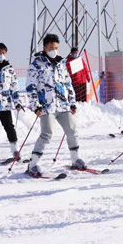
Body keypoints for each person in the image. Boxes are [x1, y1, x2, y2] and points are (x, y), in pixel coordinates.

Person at [25, 34, 84, 176]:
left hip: (62, 104)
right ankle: (33, 164)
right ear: (45, 48)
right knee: (47, 134)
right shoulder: (36, 64)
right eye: (51, 48)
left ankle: (75, 159)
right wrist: (36, 106)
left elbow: (67, 83)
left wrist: (72, 102)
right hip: (46, 106)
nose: (54, 50)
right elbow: (30, 87)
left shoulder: (61, 63)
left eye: (56, 48)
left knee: (72, 130)